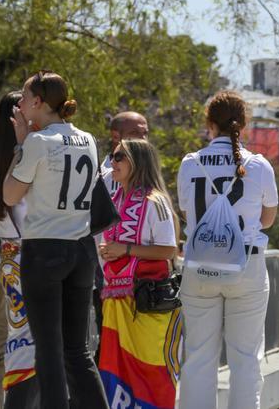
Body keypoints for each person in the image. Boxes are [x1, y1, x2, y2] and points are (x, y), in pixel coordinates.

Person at [3, 71, 109, 409]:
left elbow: (9, 195)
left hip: (45, 248)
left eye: (24, 97)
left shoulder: (37, 142)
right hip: (81, 250)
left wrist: (21, 144)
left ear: (38, 102)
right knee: (77, 350)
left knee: (48, 351)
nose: (19, 103)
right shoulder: (89, 139)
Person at [177, 91, 279, 409]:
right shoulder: (258, 166)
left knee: (197, 357)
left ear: (209, 124)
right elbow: (267, 219)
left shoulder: (190, 163)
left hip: (199, 266)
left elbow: (186, 213)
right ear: (244, 125)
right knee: (245, 360)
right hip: (245, 265)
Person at [96, 138, 182, 408]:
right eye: (112, 156)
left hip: (147, 304)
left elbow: (168, 250)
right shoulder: (112, 200)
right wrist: (109, 251)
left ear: (137, 162)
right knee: (114, 367)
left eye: (119, 157)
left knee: (150, 369)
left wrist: (126, 249)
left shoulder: (155, 202)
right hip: (115, 303)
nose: (113, 162)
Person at [0, 92, 36, 409]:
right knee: (40, 338)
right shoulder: (37, 154)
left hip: (6, 258)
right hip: (40, 254)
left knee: (1, 343)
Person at [94, 110, 149, 361]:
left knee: (139, 347)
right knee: (110, 345)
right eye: (136, 133)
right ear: (116, 137)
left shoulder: (148, 175)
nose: (144, 138)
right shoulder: (100, 176)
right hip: (107, 277)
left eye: (146, 133)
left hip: (143, 277)